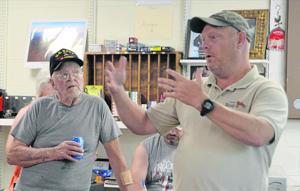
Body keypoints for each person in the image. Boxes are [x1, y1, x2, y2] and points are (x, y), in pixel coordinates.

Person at [105, 10, 288, 191]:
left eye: (213, 38)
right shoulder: (191, 90)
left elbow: (259, 134)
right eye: (202, 40)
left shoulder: (266, 90)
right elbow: (142, 124)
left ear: (240, 39)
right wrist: (118, 93)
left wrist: (203, 102)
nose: (204, 46)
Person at [6, 48, 136, 191]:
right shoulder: (39, 108)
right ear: (52, 83)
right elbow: (12, 155)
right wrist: (54, 152)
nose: (71, 78)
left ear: (82, 77)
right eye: (63, 75)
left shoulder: (97, 107)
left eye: (76, 72)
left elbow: (118, 160)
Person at [6, 70, 56, 191]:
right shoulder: (27, 112)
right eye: (50, 98)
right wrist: (53, 153)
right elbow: (11, 154)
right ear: (39, 95)